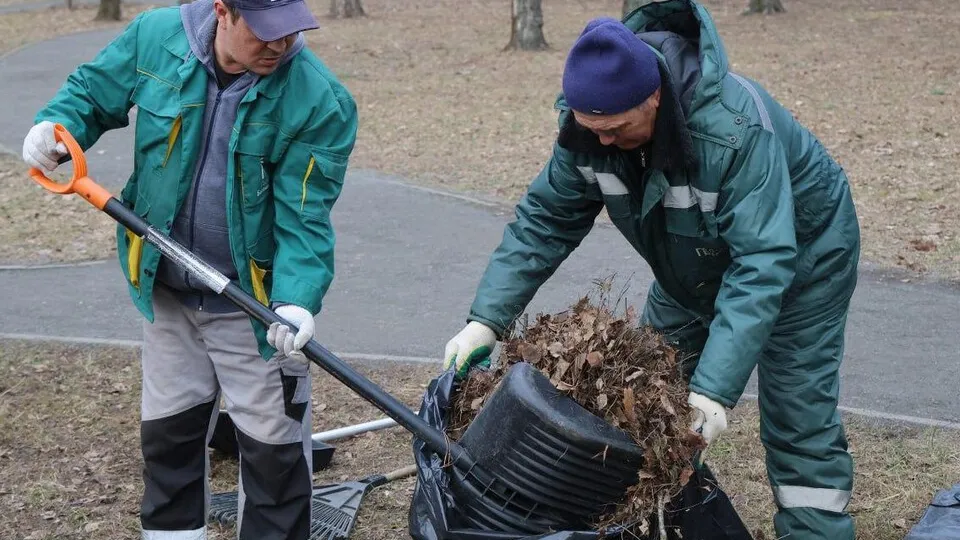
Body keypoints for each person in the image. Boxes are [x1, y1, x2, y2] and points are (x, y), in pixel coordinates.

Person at [441, 2, 860, 539]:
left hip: (802, 257)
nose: (603, 142)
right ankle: (670, 521)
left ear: (654, 97)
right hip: (691, 265)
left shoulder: (733, 132)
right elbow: (544, 221)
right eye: (592, 129)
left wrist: (712, 391)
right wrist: (486, 319)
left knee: (796, 413)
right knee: (647, 396)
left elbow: (761, 262)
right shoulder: (589, 132)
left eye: (615, 128)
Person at [21, 0, 358, 536]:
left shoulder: (319, 99)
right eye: (265, 32)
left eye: (290, 30)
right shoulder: (156, 37)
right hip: (169, 291)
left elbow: (304, 214)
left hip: (254, 313)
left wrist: (296, 299)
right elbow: (92, 91)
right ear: (223, 11)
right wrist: (57, 127)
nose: (280, 45)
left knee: (275, 458)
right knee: (170, 440)